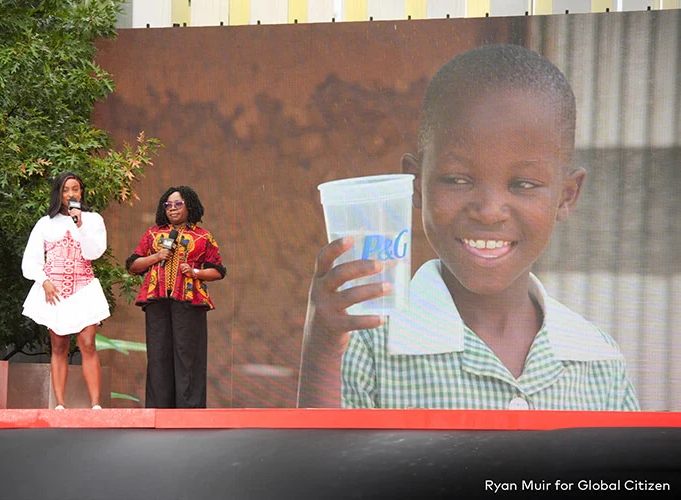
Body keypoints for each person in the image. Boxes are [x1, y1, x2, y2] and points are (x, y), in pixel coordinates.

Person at [297, 44, 640, 411]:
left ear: (566, 196)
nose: (489, 212)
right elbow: (323, 465)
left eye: (523, 184)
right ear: (416, 184)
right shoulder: (367, 341)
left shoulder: (597, 359)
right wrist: (322, 344)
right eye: (458, 180)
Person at [126, 186, 226, 408]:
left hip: (189, 301)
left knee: (188, 355)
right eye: (168, 205)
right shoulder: (153, 234)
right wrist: (156, 256)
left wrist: (195, 272)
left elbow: (218, 270)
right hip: (157, 301)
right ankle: (159, 410)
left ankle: (189, 411)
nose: (172, 209)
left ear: (189, 206)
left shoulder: (203, 236)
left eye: (178, 204)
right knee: (158, 355)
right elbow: (133, 265)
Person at [22, 172, 109, 410]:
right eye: (66, 190)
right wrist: (44, 281)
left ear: (82, 192)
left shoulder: (92, 219)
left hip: (84, 288)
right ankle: (60, 404)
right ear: (58, 194)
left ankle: (95, 404)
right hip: (55, 291)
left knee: (88, 343)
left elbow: (94, 253)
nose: (71, 194)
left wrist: (79, 224)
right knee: (59, 345)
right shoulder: (45, 223)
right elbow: (30, 262)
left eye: (75, 189)